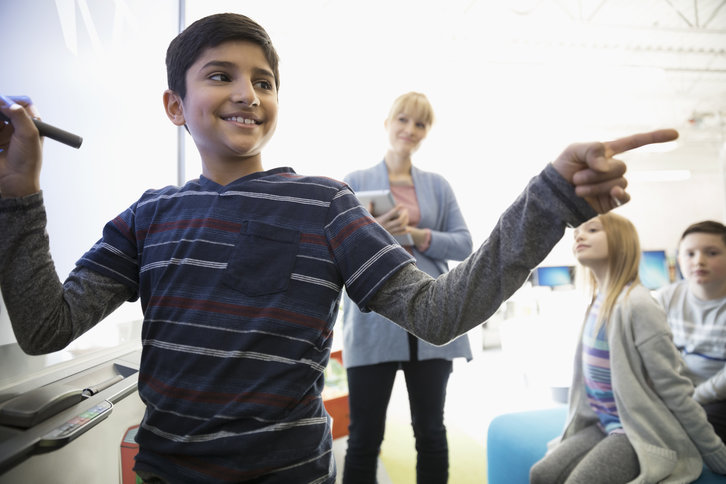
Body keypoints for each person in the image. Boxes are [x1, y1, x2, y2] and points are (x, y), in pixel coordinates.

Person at [0, 12, 679, 484]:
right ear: (175, 105)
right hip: (167, 471)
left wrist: (550, 198)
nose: (247, 93)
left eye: (263, 81)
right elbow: (44, 327)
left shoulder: (324, 204)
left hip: (288, 474)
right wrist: (21, 192)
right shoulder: (148, 216)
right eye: (220, 76)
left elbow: (440, 310)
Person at [529, 213, 726, 484]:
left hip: (637, 428)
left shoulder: (638, 304)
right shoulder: (598, 301)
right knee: (540, 474)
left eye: (593, 229)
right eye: (577, 231)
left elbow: (672, 387)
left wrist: (714, 451)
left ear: (621, 243)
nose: (578, 235)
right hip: (606, 420)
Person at [341, 92, 472, 483]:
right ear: (387, 123)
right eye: (403, 120)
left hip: (431, 321)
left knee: (431, 431)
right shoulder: (355, 182)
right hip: (372, 322)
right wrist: (381, 234)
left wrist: (415, 235)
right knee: (364, 435)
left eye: (420, 124)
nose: (410, 130)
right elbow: (341, 248)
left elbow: (464, 243)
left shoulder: (438, 185)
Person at [655, 220, 726, 444]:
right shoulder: (666, 298)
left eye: (712, 253)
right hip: (677, 392)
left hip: (716, 397)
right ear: (679, 259)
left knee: (697, 427)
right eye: (690, 254)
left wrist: (693, 399)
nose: (699, 261)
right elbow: (654, 355)